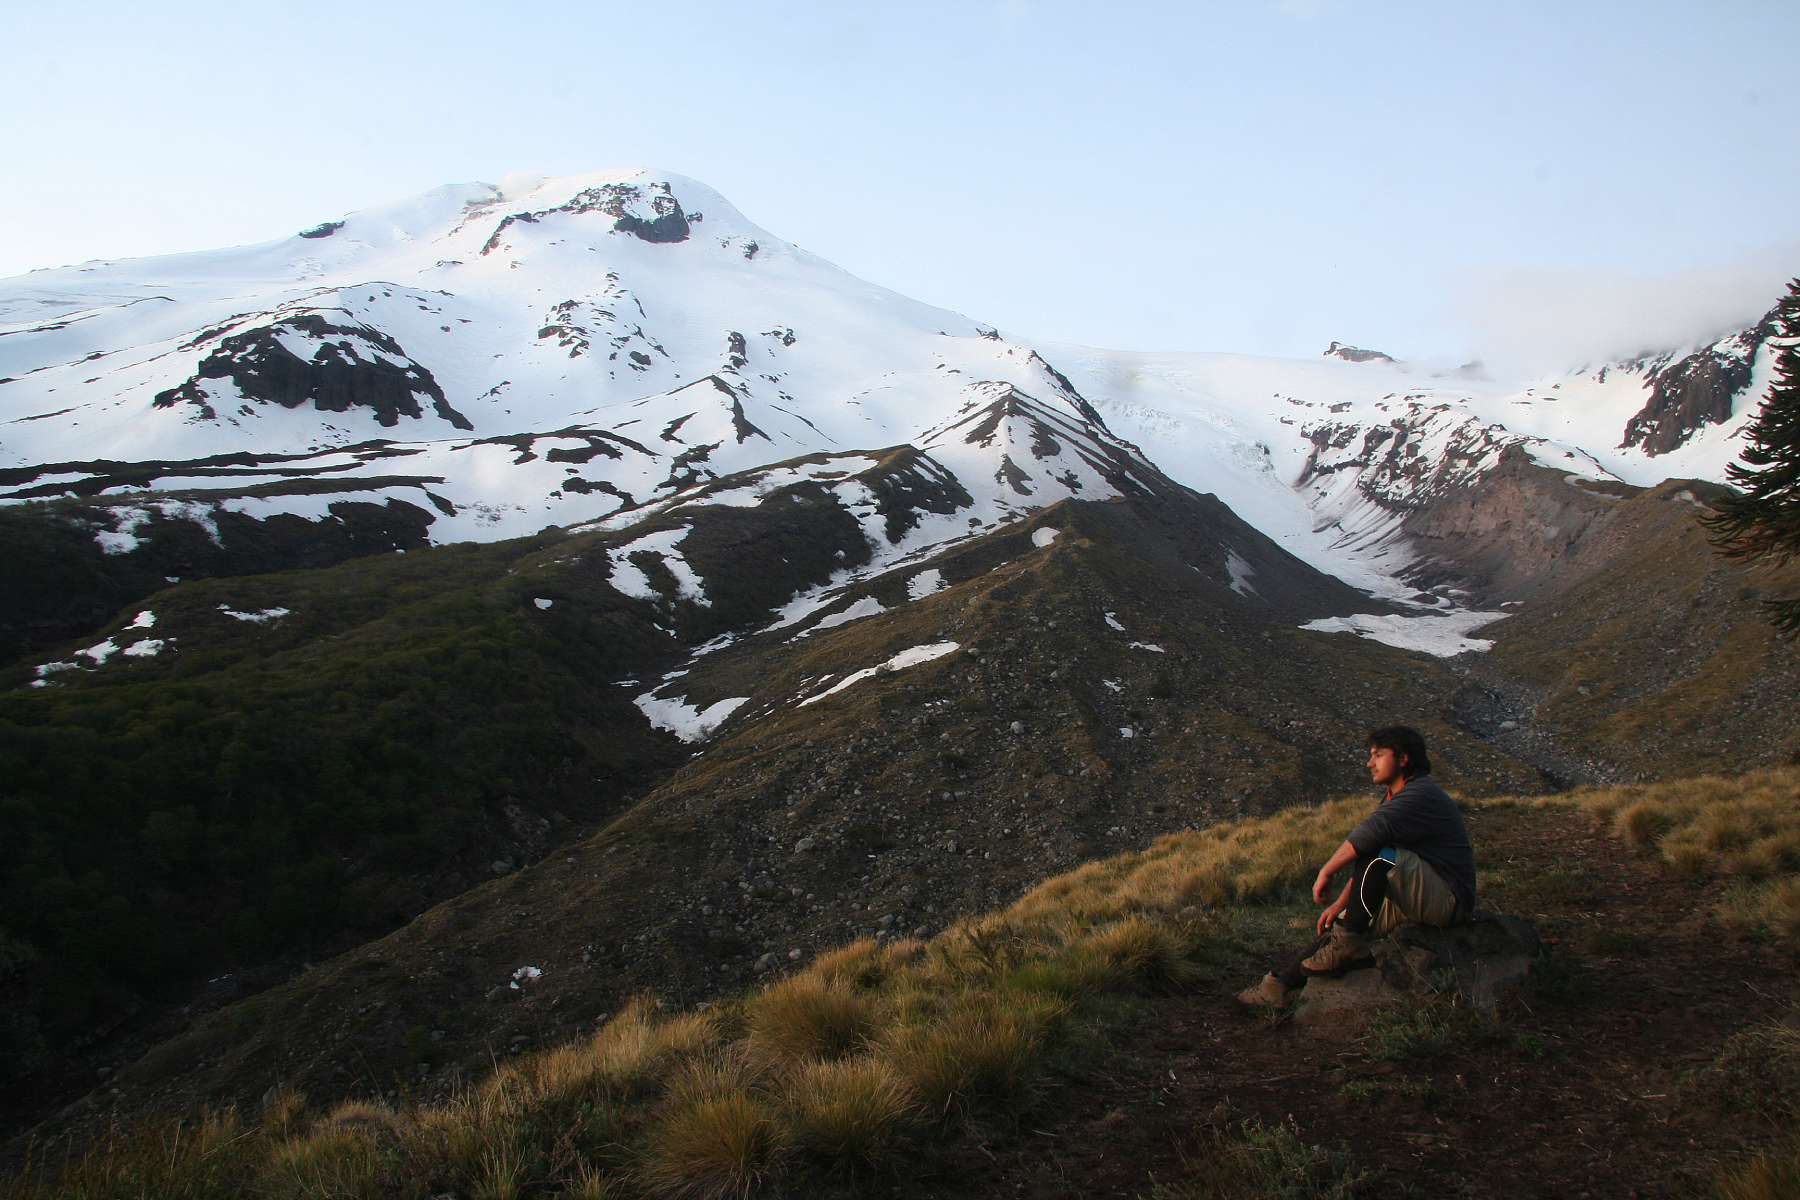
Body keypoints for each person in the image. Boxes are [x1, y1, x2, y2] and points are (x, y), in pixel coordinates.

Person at [1235, 725, 1476, 1009]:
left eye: (1378, 755)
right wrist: (1339, 905)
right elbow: (1373, 857)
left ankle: (1350, 945)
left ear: (1403, 759)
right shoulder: (1395, 796)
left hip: (1448, 897)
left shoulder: (1420, 794)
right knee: (1339, 926)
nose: (1369, 763)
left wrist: (1326, 871)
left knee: (1377, 855)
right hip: (1418, 890)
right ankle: (1279, 986)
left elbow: (1371, 839)